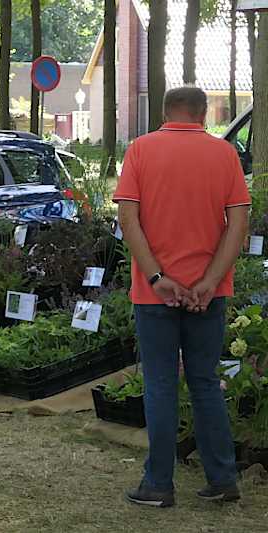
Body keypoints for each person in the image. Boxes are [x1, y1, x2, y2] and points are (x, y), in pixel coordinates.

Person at [114, 86, 250, 508]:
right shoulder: (224, 154)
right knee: (206, 382)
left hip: (155, 293)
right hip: (208, 293)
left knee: (159, 385)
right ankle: (223, 478)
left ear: (164, 113)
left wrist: (157, 277)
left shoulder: (141, 149)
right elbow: (238, 223)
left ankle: (158, 484)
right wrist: (210, 281)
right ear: (203, 115)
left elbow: (127, 218)